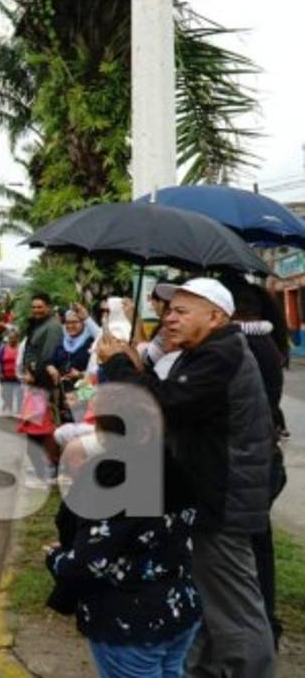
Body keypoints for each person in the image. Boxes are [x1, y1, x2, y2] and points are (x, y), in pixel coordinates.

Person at [99, 278, 276, 678]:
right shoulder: (204, 353)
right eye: (168, 310)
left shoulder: (222, 354)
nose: (168, 319)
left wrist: (118, 365)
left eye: (181, 311)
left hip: (222, 501)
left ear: (215, 317)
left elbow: (162, 406)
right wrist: (136, 364)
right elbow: (172, 399)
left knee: (235, 612)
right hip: (208, 495)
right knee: (209, 604)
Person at [46, 390, 202, 678]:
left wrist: (57, 557)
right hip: (179, 608)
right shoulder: (175, 466)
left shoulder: (113, 479)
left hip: (131, 621)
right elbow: (148, 537)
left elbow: (87, 565)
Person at [228, 280, 288, 650]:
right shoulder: (263, 343)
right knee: (255, 550)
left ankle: (256, 637)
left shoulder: (241, 347)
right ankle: (264, 626)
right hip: (262, 463)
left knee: (242, 558)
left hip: (250, 466)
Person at [19, 293, 63, 486]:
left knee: (42, 430)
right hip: (35, 383)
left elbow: (46, 356)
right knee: (33, 428)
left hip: (42, 384)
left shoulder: (53, 326)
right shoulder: (39, 324)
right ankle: (41, 467)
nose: (36, 310)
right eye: (34, 307)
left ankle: (49, 469)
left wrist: (32, 373)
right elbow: (32, 352)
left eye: (40, 307)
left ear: (49, 306)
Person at [0, 330, 21, 415]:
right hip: (5, 376)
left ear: (17, 338)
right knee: (6, 393)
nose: (11, 340)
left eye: (13, 338)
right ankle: (9, 406)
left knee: (19, 393)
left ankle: (18, 411)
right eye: (10, 338)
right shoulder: (3, 348)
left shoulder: (20, 348)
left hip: (18, 376)